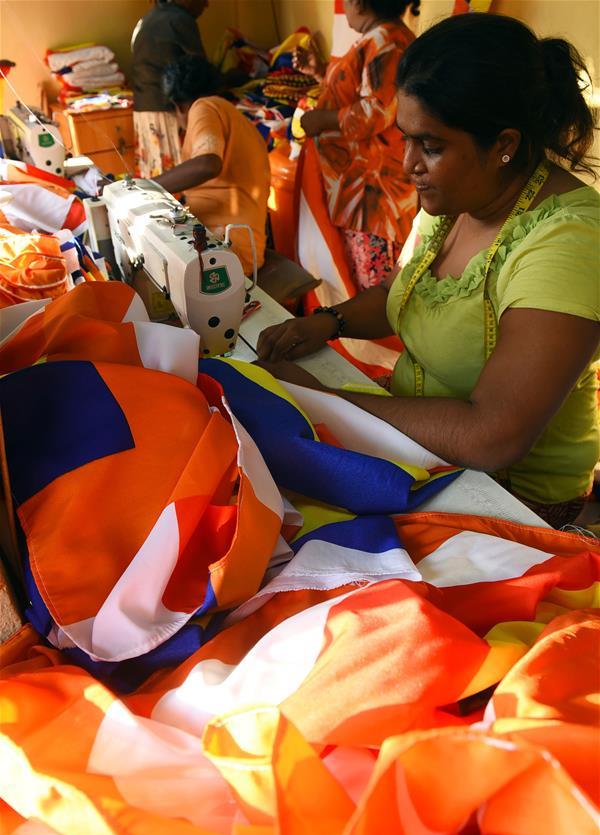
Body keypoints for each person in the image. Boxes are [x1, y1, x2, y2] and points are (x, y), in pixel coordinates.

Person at [256, 13, 600, 530]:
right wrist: (326, 322)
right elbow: (401, 293)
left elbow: (494, 435)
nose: (407, 163)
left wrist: (321, 400)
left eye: (431, 147)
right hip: (428, 453)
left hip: (511, 503)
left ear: (503, 145)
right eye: (407, 139)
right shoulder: (461, 198)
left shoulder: (566, 242)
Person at [294, 0, 420, 294]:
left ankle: (377, 341)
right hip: (365, 191)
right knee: (362, 280)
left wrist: (321, 119)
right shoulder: (381, 39)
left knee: (375, 289)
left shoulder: (387, 40)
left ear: (359, 2)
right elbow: (362, 92)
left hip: (375, 195)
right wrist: (319, 72)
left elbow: (376, 110)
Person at [153, 55, 270, 276]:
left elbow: (207, 164)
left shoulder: (203, 107)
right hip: (235, 241)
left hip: (230, 247)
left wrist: (147, 187)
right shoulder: (229, 113)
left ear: (177, 105)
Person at [131, 0, 208, 178]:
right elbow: (201, 71)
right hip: (168, 112)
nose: (206, 4)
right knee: (178, 177)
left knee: (156, 176)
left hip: (144, 110)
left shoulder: (147, 19)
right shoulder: (180, 20)